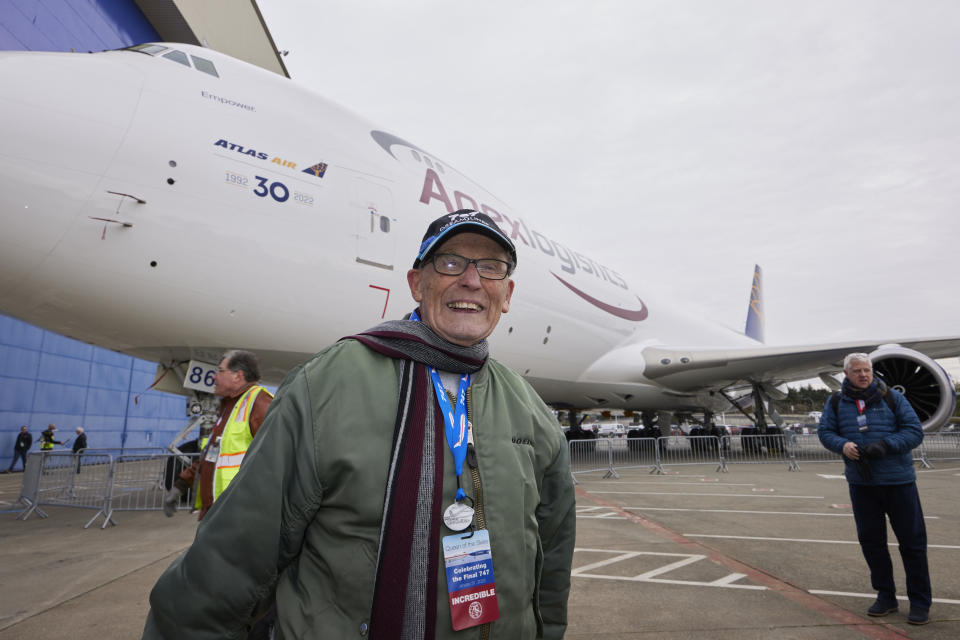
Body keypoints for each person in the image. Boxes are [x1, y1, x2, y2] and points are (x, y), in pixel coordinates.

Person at [143, 210, 576, 640]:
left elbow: (550, 571)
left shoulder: (528, 409)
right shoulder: (328, 384)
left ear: (508, 292)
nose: (471, 280)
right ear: (416, 282)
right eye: (449, 262)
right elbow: (233, 558)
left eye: (491, 267)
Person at [817, 352, 931, 625]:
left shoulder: (893, 397)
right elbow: (825, 432)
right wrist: (842, 445)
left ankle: (920, 602)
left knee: (912, 544)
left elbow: (914, 431)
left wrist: (886, 445)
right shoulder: (836, 402)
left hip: (898, 482)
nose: (864, 375)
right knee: (872, 543)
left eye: (867, 370)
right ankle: (885, 596)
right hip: (862, 483)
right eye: (857, 371)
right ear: (846, 374)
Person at [162, 350, 273, 521]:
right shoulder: (228, 407)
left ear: (237, 376)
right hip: (218, 513)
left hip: (240, 514)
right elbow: (212, 456)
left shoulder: (258, 403)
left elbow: (277, 459)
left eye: (220, 371)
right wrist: (180, 486)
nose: (214, 377)